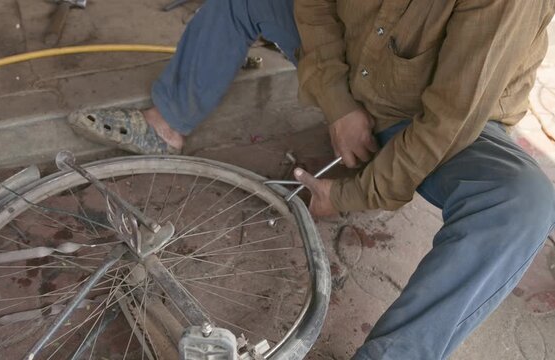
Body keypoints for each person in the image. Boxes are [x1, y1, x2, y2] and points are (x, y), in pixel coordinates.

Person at [68, 0, 555, 358]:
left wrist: (348, 195)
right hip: (359, 64)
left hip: (430, 116)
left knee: (521, 203)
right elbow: (316, 9)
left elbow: (450, 121)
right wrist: (339, 103)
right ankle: (165, 124)